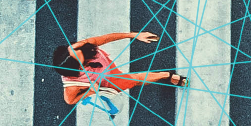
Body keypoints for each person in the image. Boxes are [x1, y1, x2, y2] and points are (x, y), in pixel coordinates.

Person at [52, 31, 186, 107]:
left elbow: (105, 38)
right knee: (135, 80)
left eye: (81, 52)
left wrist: (134, 35)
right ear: (77, 69)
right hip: (108, 81)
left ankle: (165, 76)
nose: (86, 55)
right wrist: (89, 92)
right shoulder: (72, 84)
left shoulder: (77, 48)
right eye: (83, 62)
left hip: (106, 68)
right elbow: (70, 100)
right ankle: (166, 75)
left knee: (135, 80)